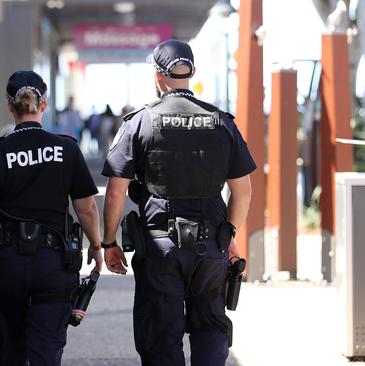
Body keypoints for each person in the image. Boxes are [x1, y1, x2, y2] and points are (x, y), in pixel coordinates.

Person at [101, 39, 256, 366]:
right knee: (211, 325)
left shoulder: (139, 122)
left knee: (160, 332)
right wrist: (230, 235)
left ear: (158, 77)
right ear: (192, 72)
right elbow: (243, 191)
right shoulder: (222, 122)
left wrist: (108, 241)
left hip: (160, 247)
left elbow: (115, 190)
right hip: (211, 245)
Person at [0, 70, 103, 366]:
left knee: (9, 349)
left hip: (7, 265)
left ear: (10, 106)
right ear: (44, 105)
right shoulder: (67, 149)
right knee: (46, 352)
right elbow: (85, 207)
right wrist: (97, 247)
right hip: (54, 265)